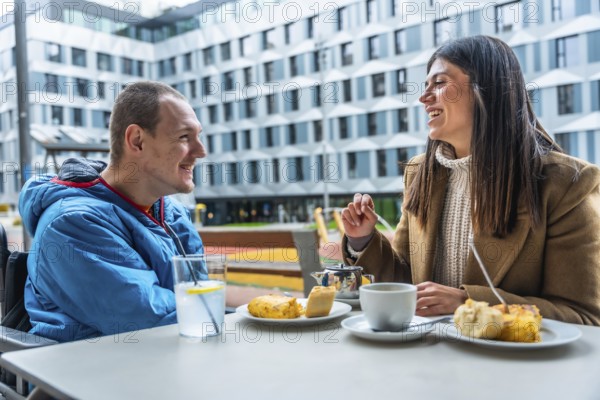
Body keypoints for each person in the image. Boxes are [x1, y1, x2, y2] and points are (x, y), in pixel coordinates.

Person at [341, 35, 600, 325]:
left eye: (439, 83)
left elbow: (581, 315)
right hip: (428, 356)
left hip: (514, 366)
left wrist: (469, 303)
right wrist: (362, 241)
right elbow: (407, 284)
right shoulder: (421, 173)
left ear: (487, 90)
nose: (424, 98)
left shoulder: (566, 184)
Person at [20, 81, 206, 342]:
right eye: (184, 137)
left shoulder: (173, 213)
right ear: (137, 141)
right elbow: (151, 324)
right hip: (85, 376)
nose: (201, 151)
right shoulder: (73, 224)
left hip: (162, 364)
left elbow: (201, 299)